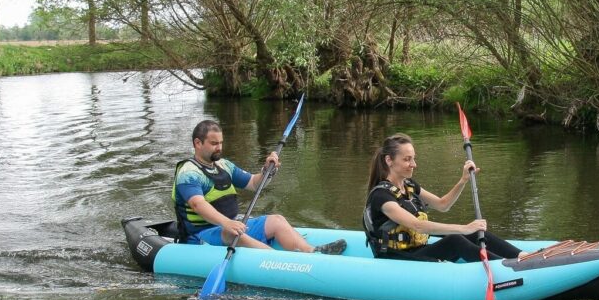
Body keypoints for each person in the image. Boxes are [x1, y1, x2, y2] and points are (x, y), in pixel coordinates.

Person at [173, 120, 346, 254]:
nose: (219, 147)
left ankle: (311, 253)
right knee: (233, 233)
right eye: (214, 143)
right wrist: (227, 223)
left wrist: (267, 170)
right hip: (201, 235)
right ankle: (279, 260)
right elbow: (198, 204)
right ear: (198, 143)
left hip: (233, 225)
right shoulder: (188, 172)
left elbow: (255, 184)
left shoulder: (224, 165)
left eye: (221, 142)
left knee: (276, 220)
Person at [363, 133, 523, 262]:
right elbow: (417, 225)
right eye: (407, 159)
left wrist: (463, 180)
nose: (413, 164)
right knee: (456, 240)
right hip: (395, 258)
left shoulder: (409, 185)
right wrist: (464, 228)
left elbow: (443, 205)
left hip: (417, 250)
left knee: (475, 233)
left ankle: (522, 256)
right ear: (389, 160)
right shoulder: (381, 196)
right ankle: (506, 267)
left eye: (413, 158)